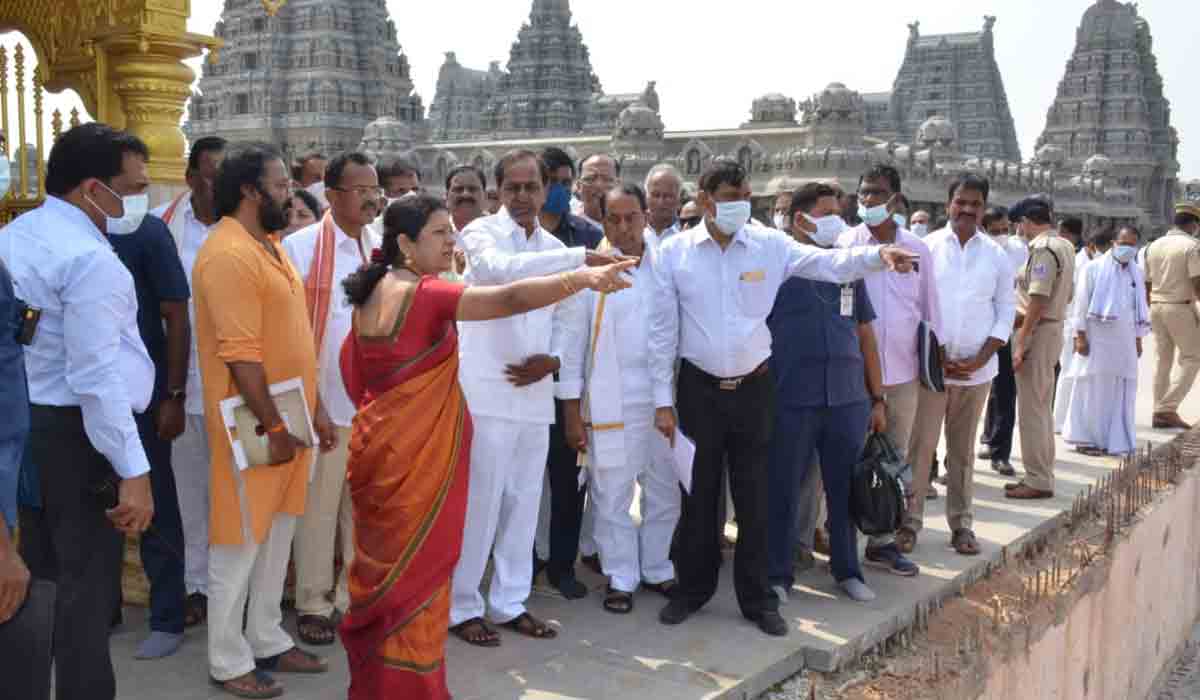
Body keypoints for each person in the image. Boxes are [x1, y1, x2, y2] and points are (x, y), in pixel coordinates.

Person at [337, 193, 633, 700]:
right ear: (406, 243)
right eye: (439, 232)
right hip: (415, 460)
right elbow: (510, 299)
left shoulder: (372, 292)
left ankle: (375, 686)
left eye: (451, 230)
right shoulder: (425, 295)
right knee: (420, 578)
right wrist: (581, 278)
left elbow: (353, 375)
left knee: (384, 576)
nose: (452, 240)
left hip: (377, 450)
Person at [649, 161, 916, 636]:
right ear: (706, 199)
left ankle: (759, 599)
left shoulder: (770, 246)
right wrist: (661, 401)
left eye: (747, 196)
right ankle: (692, 590)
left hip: (754, 388)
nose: (741, 205)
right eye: (732, 196)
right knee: (699, 496)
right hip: (698, 389)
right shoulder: (675, 253)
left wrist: (879, 257)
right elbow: (662, 331)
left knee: (756, 498)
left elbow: (829, 263)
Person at [2, 123, 156, 700]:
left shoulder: (16, 235)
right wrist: (134, 472)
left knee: (32, 586)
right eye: (134, 187)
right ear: (93, 189)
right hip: (78, 439)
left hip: (25, 430)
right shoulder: (92, 261)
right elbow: (95, 380)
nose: (140, 200)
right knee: (86, 600)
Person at [449, 149, 623, 646]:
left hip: (533, 395)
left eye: (532, 187)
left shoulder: (550, 244)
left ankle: (508, 602)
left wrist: (553, 360)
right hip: (485, 391)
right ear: (497, 193)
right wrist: (579, 259)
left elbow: (569, 317)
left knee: (524, 505)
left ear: (546, 190)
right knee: (480, 506)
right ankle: (462, 607)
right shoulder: (481, 233)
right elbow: (502, 273)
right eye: (513, 188)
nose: (523, 197)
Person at [194, 143, 337, 697]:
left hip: (289, 416)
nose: (290, 193)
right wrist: (275, 428)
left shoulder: (269, 245)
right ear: (251, 191)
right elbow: (241, 355)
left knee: (277, 534)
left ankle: (266, 637)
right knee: (240, 541)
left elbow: (294, 344)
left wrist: (316, 412)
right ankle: (228, 660)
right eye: (280, 185)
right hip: (250, 424)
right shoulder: (228, 253)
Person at [766, 182, 891, 607]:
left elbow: (866, 335)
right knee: (784, 489)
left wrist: (877, 398)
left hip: (846, 399)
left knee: (844, 490)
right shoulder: (778, 267)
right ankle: (777, 574)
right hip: (791, 397)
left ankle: (846, 571)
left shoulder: (847, 269)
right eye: (827, 212)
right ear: (801, 219)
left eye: (840, 211)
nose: (838, 220)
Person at [559, 185, 681, 615]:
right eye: (615, 219)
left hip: (665, 397)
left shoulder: (668, 265)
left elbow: (672, 336)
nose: (625, 227)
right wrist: (572, 412)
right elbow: (572, 348)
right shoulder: (590, 272)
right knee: (610, 492)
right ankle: (622, 576)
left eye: (632, 217)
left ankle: (657, 567)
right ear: (603, 220)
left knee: (664, 490)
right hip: (610, 399)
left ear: (646, 217)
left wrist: (668, 400)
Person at [281, 152, 383, 647]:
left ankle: (352, 597)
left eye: (374, 188)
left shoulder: (382, 248)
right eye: (359, 189)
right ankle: (314, 602)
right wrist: (313, 403)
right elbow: (291, 336)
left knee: (363, 510)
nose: (370, 197)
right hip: (323, 403)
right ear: (333, 195)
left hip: (373, 405)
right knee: (318, 510)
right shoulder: (301, 249)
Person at [903, 174, 1015, 554]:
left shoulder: (997, 256)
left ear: (984, 208)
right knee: (920, 448)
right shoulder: (927, 248)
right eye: (960, 202)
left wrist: (982, 356)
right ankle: (910, 522)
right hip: (933, 370)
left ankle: (962, 525)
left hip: (977, 371)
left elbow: (1005, 311)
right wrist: (936, 355)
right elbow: (914, 307)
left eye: (975, 204)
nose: (967, 210)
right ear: (948, 204)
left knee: (963, 453)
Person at [837, 165, 937, 575]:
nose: (869, 202)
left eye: (877, 194)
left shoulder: (917, 249)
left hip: (904, 375)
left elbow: (930, 311)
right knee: (848, 460)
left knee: (894, 462)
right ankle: (842, 541)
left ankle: (883, 541)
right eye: (863, 194)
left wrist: (935, 363)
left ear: (896, 199)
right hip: (854, 375)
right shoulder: (846, 245)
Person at [105, 209, 191, 659]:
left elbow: (176, 314)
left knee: (155, 502)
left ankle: (168, 616)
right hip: (87, 394)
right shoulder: (63, 236)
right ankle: (104, 611)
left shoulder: (145, 232)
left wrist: (173, 395)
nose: (139, 191)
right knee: (95, 505)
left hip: (143, 395)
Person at [152, 135, 226, 629]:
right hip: (180, 380)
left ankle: (233, 589)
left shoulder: (250, 229)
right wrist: (171, 394)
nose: (219, 184)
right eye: (211, 174)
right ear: (190, 178)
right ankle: (198, 586)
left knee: (236, 493)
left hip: (237, 381)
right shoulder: (158, 226)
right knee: (190, 492)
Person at [531, 146, 604, 598]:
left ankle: (562, 564)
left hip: (570, 378)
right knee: (521, 482)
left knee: (567, 478)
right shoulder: (518, 241)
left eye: (563, 181)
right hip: (521, 377)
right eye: (548, 183)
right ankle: (524, 561)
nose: (555, 190)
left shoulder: (590, 238)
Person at [1007, 194, 1075, 500]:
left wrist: (1022, 342)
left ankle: (1037, 479)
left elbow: (1037, 297)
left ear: (1025, 222)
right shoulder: (1064, 245)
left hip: (1036, 330)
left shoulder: (1044, 249)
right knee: (1041, 407)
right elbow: (1067, 293)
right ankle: (1042, 472)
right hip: (1052, 328)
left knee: (1032, 410)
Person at [1063, 227, 1149, 456]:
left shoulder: (1136, 273)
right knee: (1091, 389)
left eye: (1132, 245)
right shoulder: (1093, 269)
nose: (1127, 248)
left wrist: (1139, 340)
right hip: (1097, 340)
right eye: (1123, 243)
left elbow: (1139, 308)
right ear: (1113, 243)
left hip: (1125, 343)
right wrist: (1079, 336)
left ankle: (1115, 440)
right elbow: (1080, 304)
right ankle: (1085, 439)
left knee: (1121, 390)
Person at [978, 206, 1027, 477]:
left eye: (1004, 230)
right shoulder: (979, 252)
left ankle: (1000, 453)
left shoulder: (1020, 251)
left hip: (1006, 329)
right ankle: (956, 459)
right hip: (978, 330)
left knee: (1006, 391)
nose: (1001, 235)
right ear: (984, 229)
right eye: (995, 231)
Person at [1143, 202, 1200, 429]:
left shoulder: (1154, 245)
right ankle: (1166, 408)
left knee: (1162, 361)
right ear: (1193, 224)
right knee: (1192, 358)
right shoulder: (1191, 246)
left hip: (1156, 304)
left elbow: (1147, 283)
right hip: (1179, 306)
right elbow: (1197, 282)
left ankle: (1160, 410)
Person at [1053, 228, 1101, 435]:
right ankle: (1060, 421)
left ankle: (1070, 420)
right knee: (1068, 374)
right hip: (1072, 325)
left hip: (1078, 325)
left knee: (1077, 376)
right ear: (1091, 246)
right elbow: (1074, 300)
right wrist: (1077, 333)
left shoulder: (1089, 263)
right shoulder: (1081, 264)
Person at [572, 153, 619, 229]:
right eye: (590, 179)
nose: (598, 185)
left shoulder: (633, 226)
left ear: (618, 185)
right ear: (578, 186)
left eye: (606, 179)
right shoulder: (568, 226)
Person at [645, 163, 684, 248]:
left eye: (668, 196)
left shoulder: (687, 234)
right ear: (646, 197)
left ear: (679, 199)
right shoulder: (634, 233)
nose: (661, 202)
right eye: (656, 195)